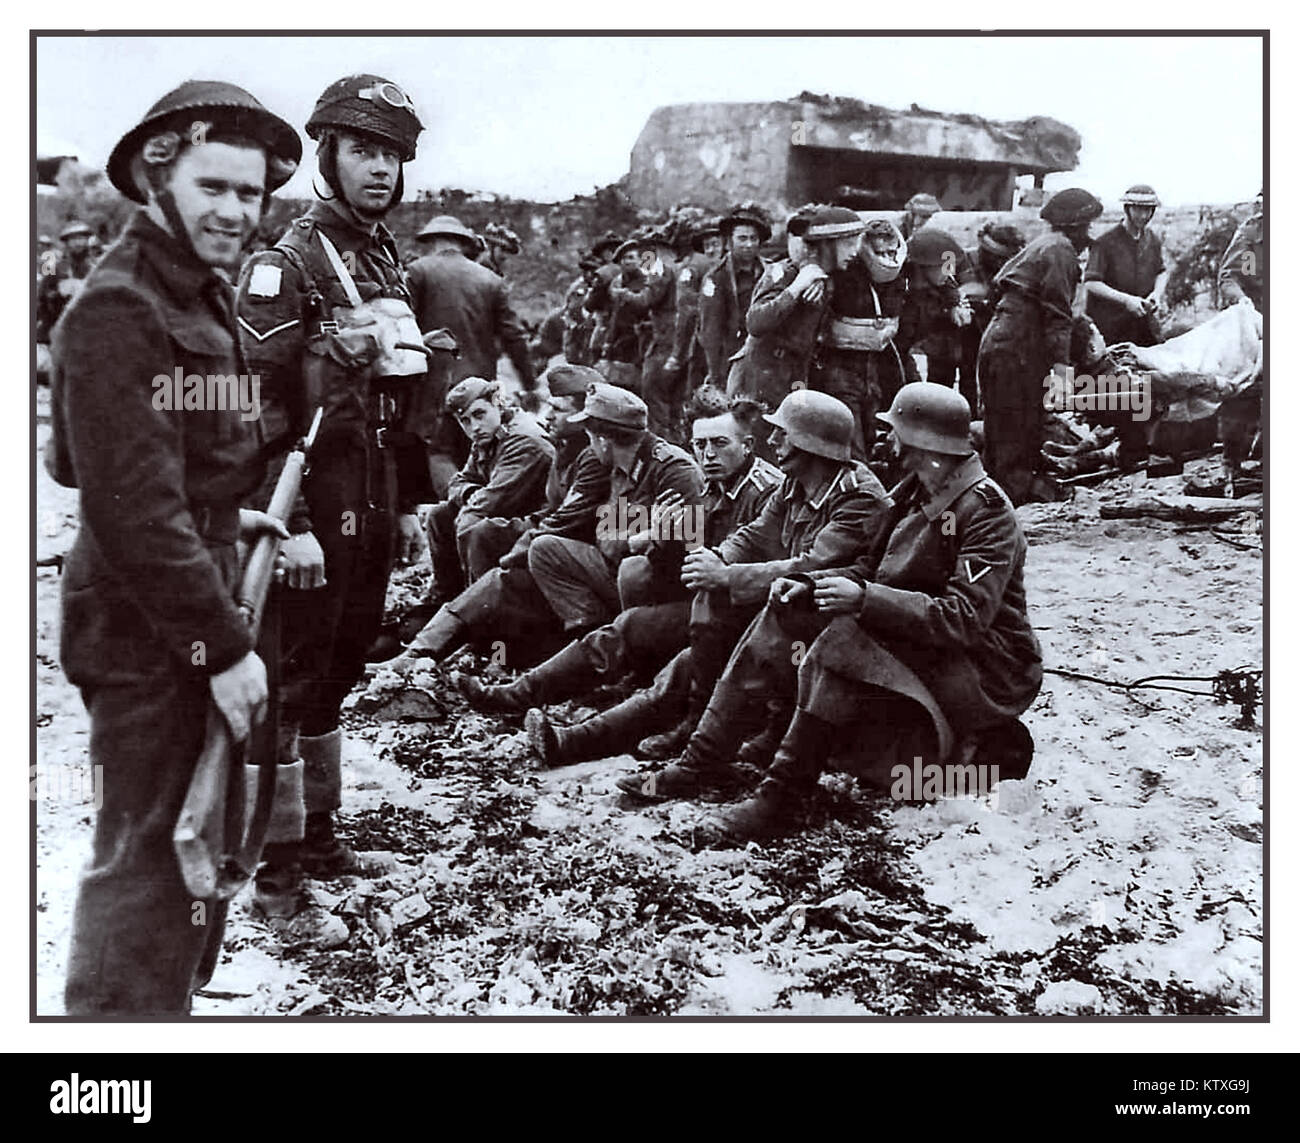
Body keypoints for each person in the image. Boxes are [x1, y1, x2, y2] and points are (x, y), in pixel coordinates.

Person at [51, 81, 301, 1013]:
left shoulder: (196, 295)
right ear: (158, 178)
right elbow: (127, 505)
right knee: (147, 864)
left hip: (192, 590)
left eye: (252, 193)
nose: (238, 211)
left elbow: (101, 459)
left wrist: (229, 520)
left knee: (197, 852)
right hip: (148, 630)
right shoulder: (119, 309)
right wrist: (225, 647)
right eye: (215, 187)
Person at [623, 384, 1041, 842]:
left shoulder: (986, 511)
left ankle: (779, 798)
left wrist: (862, 598)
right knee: (787, 611)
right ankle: (701, 760)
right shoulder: (915, 490)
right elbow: (871, 566)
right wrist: (810, 585)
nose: (887, 440)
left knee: (842, 643)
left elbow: (961, 618)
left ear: (921, 441)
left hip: (984, 667)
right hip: (915, 636)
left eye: (895, 431)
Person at [235, 74, 430, 931]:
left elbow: (405, 387)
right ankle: (277, 880)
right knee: (293, 674)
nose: (379, 168)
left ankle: (320, 839)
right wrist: (296, 528)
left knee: (345, 663)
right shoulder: (286, 264)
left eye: (391, 153)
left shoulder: (384, 255)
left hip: (378, 483)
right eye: (362, 150)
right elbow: (258, 405)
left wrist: (415, 502)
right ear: (329, 156)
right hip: (313, 491)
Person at [531, 389, 890, 772]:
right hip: (766, 611)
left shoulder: (856, 496)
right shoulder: (793, 483)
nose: (772, 442)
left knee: (680, 667)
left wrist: (723, 574)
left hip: (815, 622)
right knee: (652, 633)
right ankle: (553, 719)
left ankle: (603, 739)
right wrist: (714, 558)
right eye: (699, 444)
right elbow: (754, 536)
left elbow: (811, 564)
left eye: (781, 434)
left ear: (810, 442)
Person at [456, 389, 782, 717]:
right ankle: (521, 694)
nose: (708, 454)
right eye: (700, 444)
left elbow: (734, 558)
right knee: (623, 617)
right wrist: (649, 538)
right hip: (703, 600)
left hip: (737, 613)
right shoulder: (710, 483)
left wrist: (653, 540)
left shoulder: (755, 489)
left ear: (748, 445)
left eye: (719, 443)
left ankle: (533, 695)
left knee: (631, 605)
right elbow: (612, 536)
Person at [978, 186, 1102, 504]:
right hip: (1015, 346)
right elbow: (1057, 314)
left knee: (1016, 418)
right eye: (1087, 226)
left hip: (1008, 340)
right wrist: (1063, 371)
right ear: (1076, 226)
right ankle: (1014, 493)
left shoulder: (1042, 246)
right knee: (1014, 420)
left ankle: (1016, 481)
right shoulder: (1060, 251)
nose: (1089, 235)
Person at [726, 205, 865, 433]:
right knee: (758, 448)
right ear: (827, 244)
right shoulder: (784, 273)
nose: (855, 251)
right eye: (849, 244)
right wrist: (797, 287)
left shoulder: (827, 278)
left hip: (793, 377)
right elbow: (756, 323)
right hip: (758, 379)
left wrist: (814, 275)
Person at [425, 377, 554, 603]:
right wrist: (469, 493)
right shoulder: (489, 434)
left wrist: (473, 498)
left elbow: (490, 502)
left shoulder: (522, 440)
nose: (474, 427)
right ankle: (443, 598)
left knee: (472, 523)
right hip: (508, 512)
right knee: (440, 515)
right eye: (464, 421)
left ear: (498, 402)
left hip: (538, 524)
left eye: (479, 414)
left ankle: (473, 607)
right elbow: (459, 482)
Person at [816, 217, 916, 462]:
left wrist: (955, 299)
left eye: (892, 252)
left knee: (875, 436)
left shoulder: (903, 274)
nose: (887, 259)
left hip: (878, 367)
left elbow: (941, 276)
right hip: (841, 368)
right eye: (880, 252)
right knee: (852, 443)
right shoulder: (844, 274)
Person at [407, 213, 535, 389]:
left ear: (431, 241)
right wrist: (530, 384)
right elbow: (513, 336)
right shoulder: (492, 280)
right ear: (462, 242)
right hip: (478, 385)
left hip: (429, 381)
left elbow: (404, 326)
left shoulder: (417, 271)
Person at [1216, 189, 1265, 482]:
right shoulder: (1252, 237)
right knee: (1244, 387)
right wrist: (1242, 300)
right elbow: (1233, 276)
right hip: (1256, 320)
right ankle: (1232, 460)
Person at [1084, 184, 1168, 346]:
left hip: (1143, 326)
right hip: (1110, 328)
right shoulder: (1105, 242)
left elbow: (1161, 272)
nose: (1143, 215)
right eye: (1138, 210)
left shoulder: (1152, 240)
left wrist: (1156, 294)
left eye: (1148, 210)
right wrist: (1126, 300)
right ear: (1127, 209)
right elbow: (1091, 283)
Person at [698, 203, 770, 387]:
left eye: (753, 239)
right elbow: (710, 330)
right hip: (731, 359)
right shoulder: (716, 277)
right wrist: (714, 373)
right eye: (742, 238)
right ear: (729, 241)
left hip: (767, 358)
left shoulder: (771, 271)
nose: (748, 244)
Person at [960, 222, 1026, 413]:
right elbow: (944, 284)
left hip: (992, 330)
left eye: (1004, 259)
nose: (1000, 263)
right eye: (997, 258)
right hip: (957, 331)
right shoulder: (960, 258)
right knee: (954, 379)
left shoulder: (1015, 266)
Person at [902, 227, 975, 390]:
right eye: (944, 266)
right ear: (923, 265)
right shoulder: (898, 291)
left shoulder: (942, 289)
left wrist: (956, 304)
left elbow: (949, 282)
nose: (950, 272)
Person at [666, 218, 722, 390]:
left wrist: (677, 354)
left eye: (715, 244)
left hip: (711, 344)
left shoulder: (692, 266)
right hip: (708, 339)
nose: (711, 250)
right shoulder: (706, 268)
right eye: (707, 246)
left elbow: (687, 310)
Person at [595, 237, 652, 392]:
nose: (627, 262)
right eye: (623, 259)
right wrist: (608, 341)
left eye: (631, 257)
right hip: (622, 341)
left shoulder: (648, 282)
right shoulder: (618, 284)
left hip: (642, 341)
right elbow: (616, 316)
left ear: (640, 260)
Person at [36, 220, 96, 347]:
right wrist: (57, 293)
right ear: (66, 243)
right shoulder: (55, 268)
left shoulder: (96, 269)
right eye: (73, 239)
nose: (78, 243)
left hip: (90, 332)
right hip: (57, 331)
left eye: (81, 238)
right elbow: (41, 300)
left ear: (87, 241)